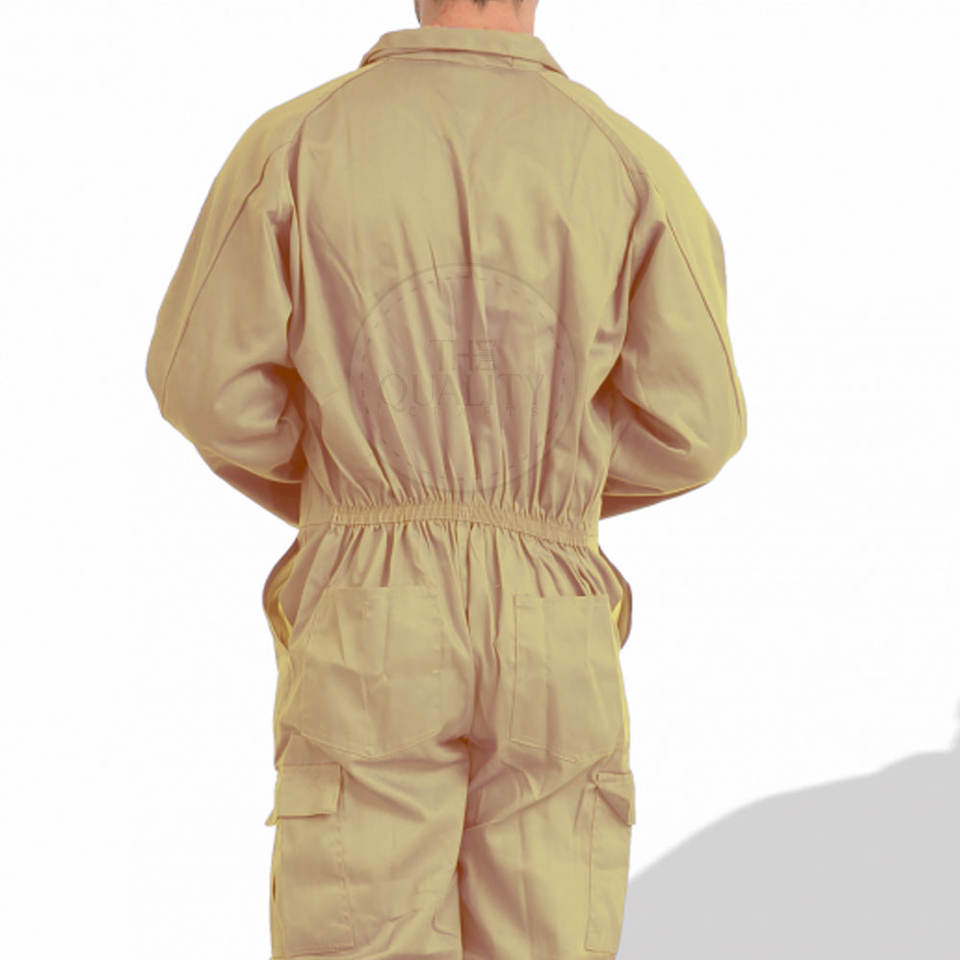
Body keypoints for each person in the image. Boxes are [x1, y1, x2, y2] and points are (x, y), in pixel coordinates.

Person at [144, 1, 747, 957]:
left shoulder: (297, 143)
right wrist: (554, 487)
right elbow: (698, 427)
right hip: (553, 608)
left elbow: (203, 387)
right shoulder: (629, 164)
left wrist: (345, 477)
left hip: (369, 597)